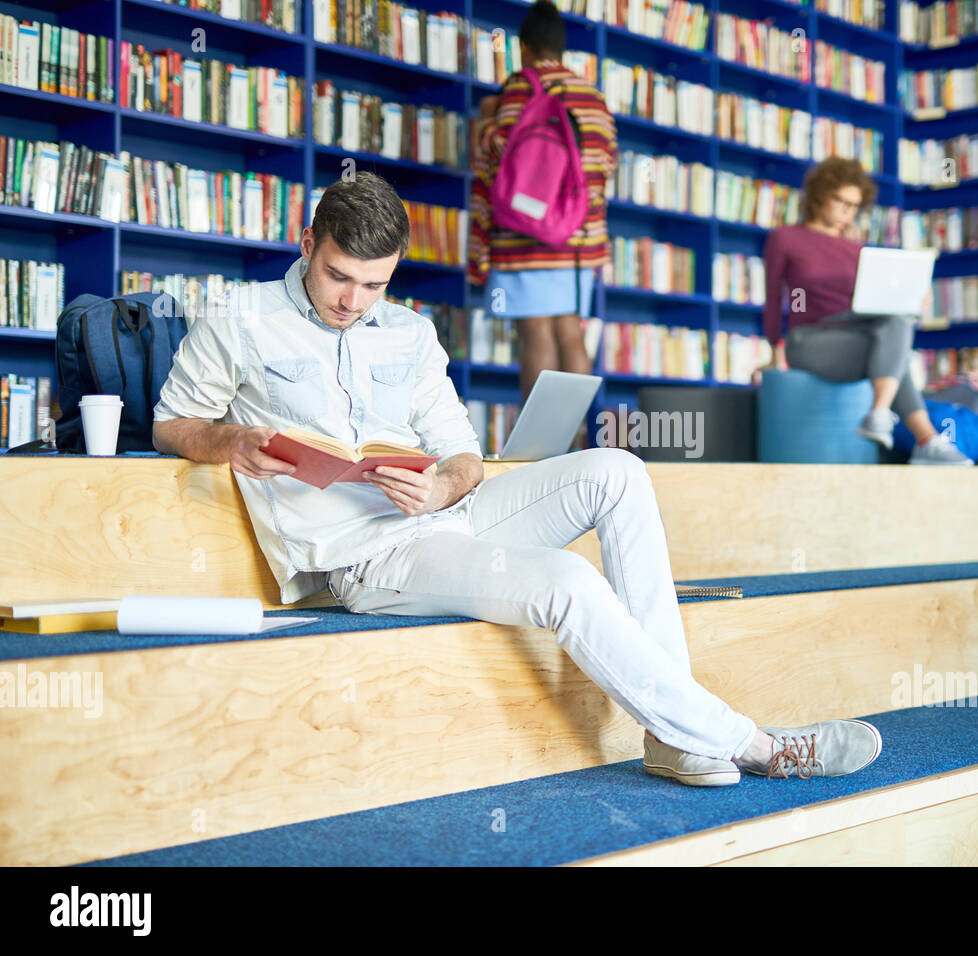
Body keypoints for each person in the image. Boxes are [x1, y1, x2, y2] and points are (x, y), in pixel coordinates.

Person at [151, 172, 883, 787]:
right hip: (367, 557)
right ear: (306, 245)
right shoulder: (240, 318)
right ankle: (752, 744)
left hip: (444, 516)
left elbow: (464, 457)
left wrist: (441, 487)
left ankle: (673, 735)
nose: (351, 300)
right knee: (566, 580)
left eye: (373, 284)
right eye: (338, 276)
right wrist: (229, 441)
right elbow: (170, 424)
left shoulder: (408, 330)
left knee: (618, 471)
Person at [756, 157, 972, 465]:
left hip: (856, 331)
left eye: (855, 205)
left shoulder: (858, 249)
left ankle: (887, 417)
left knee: (898, 320)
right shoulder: (787, 239)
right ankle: (925, 440)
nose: (848, 211)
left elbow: (873, 300)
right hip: (810, 338)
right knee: (895, 359)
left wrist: (910, 300)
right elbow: (773, 298)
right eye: (841, 201)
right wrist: (774, 349)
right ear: (819, 197)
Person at [469, 0, 616, 408]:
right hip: (579, 240)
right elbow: (607, 163)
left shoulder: (521, 86)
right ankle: (576, 441)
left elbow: (495, 155)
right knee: (570, 330)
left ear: (525, 48)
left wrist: (485, 119)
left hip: (526, 234)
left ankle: (543, 454)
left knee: (535, 332)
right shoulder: (594, 97)